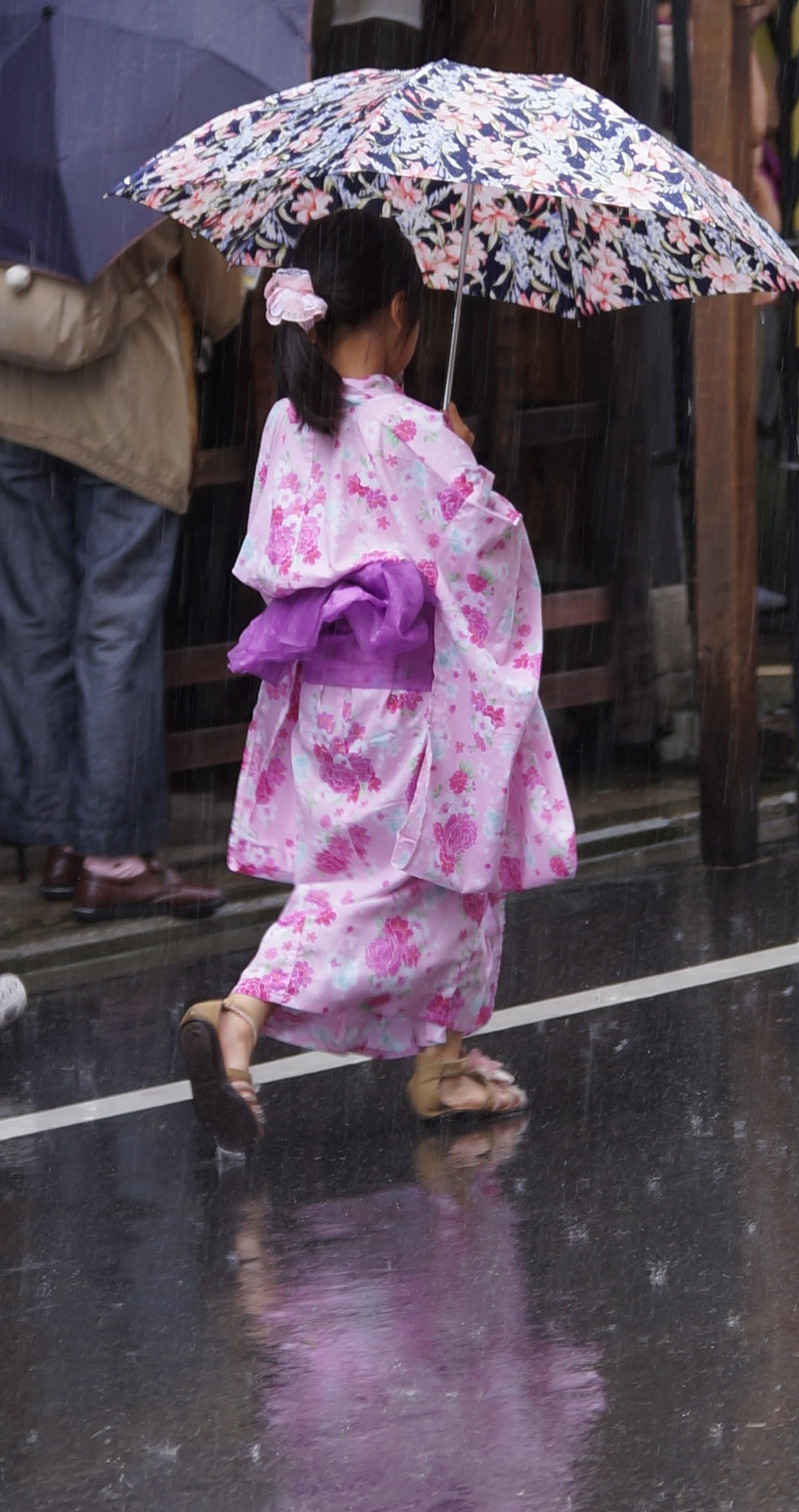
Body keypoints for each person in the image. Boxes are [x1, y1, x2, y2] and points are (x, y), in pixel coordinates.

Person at [179, 210, 577, 1153]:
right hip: (403, 703)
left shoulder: (288, 424)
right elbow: (486, 550)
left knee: (406, 876)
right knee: (400, 880)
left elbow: (281, 551)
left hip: (325, 700)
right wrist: (463, 459)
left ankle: (445, 1060)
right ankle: (239, 1013)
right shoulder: (413, 433)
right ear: (401, 311)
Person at [0, 222, 247, 919]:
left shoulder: (21, 151)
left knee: (35, 624)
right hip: (127, 412)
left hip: (15, 401)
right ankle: (112, 858)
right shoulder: (158, 158)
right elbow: (221, 304)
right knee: (116, 632)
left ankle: (62, 838)